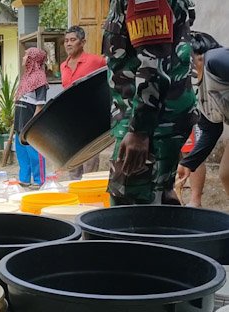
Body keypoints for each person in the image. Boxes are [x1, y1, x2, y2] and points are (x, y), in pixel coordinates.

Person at [103, 0, 197, 205]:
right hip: (152, 120)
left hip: (151, 124)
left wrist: (139, 130)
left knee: (132, 212)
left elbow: (153, 64)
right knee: (157, 199)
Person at [178, 32, 229, 197]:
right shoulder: (202, 93)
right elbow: (211, 130)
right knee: (226, 173)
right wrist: (188, 163)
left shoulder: (215, 59)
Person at [60, 25, 107, 180]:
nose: (68, 43)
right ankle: (74, 196)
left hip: (91, 120)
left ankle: (90, 197)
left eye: (72, 40)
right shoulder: (63, 66)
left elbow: (111, 79)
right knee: (72, 162)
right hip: (70, 121)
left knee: (90, 163)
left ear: (83, 42)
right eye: (66, 40)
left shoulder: (96, 61)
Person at [14, 48, 48, 187]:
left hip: (31, 125)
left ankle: (40, 180)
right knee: (22, 153)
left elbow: (40, 105)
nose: (23, 58)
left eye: (26, 55)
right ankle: (24, 179)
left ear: (32, 59)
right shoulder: (26, 77)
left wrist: (33, 125)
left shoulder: (40, 78)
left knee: (35, 154)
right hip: (19, 122)